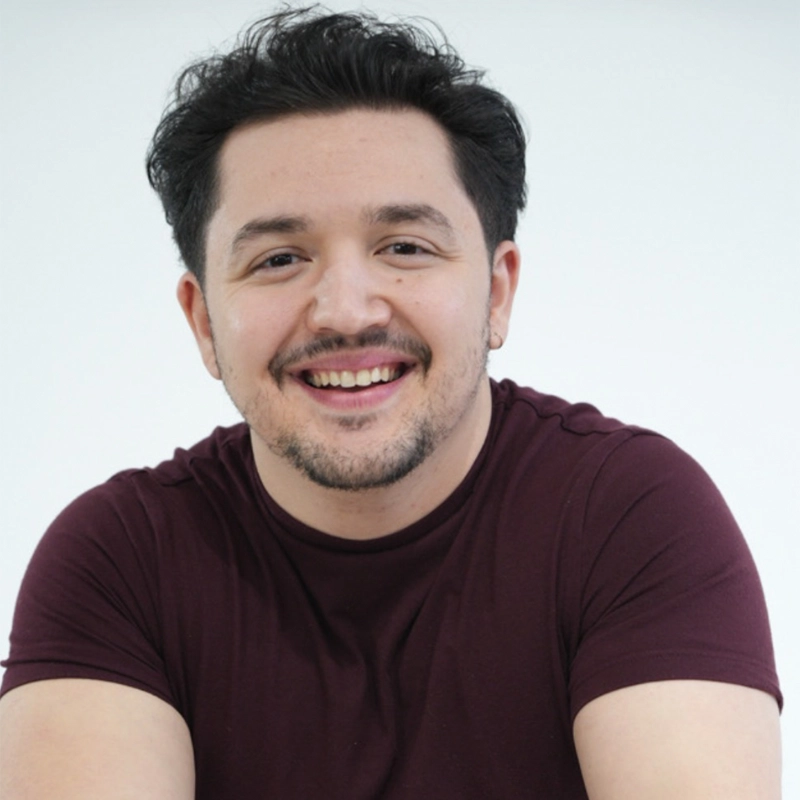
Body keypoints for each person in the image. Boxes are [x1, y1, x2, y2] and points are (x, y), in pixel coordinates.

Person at [0, 6, 782, 798]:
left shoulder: (630, 515)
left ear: (497, 290)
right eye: (279, 258)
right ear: (203, 320)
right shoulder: (118, 561)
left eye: (404, 247)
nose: (346, 310)